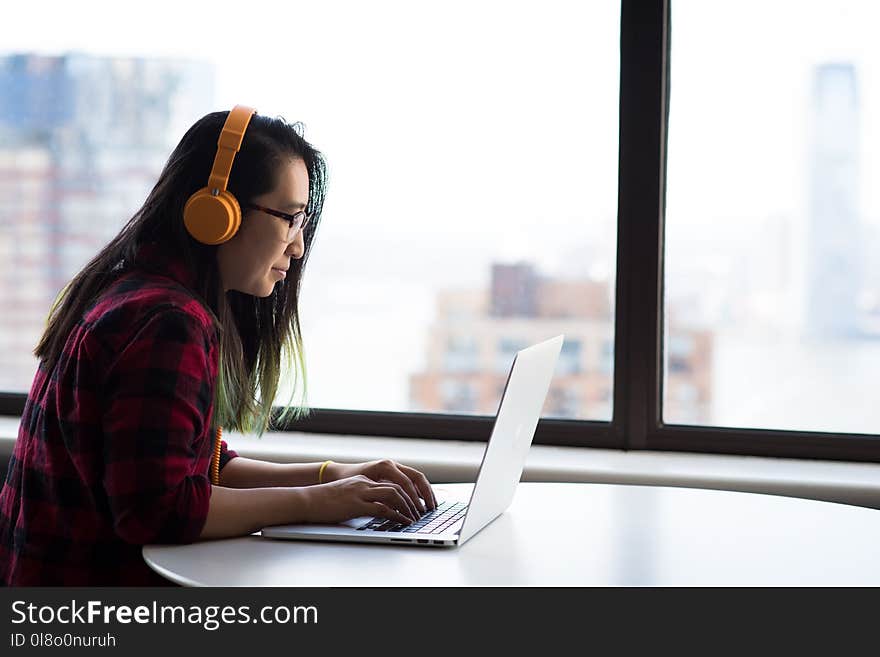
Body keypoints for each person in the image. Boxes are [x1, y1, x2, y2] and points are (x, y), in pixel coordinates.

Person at [0, 106, 437, 586]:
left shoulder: (136, 291)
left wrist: (331, 476)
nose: (297, 246)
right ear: (217, 212)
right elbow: (158, 509)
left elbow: (205, 466)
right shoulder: (167, 322)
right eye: (290, 218)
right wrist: (320, 503)